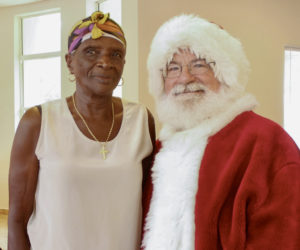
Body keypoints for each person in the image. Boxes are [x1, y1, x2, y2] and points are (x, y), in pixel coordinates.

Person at [142, 14, 300, 250]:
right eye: (173, 68)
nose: (184, 78)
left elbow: (282, 238)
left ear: (226, 72)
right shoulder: (160, 150)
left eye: (199, 65)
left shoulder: (267, 143)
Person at [8, 11, 155, 250]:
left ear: (123, 64)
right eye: (91, 51)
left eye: (115, 54)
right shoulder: (39, 121)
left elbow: (148, 203)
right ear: (70, 61)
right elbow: (16, 220)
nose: (105, 62)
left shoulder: (140, 120)